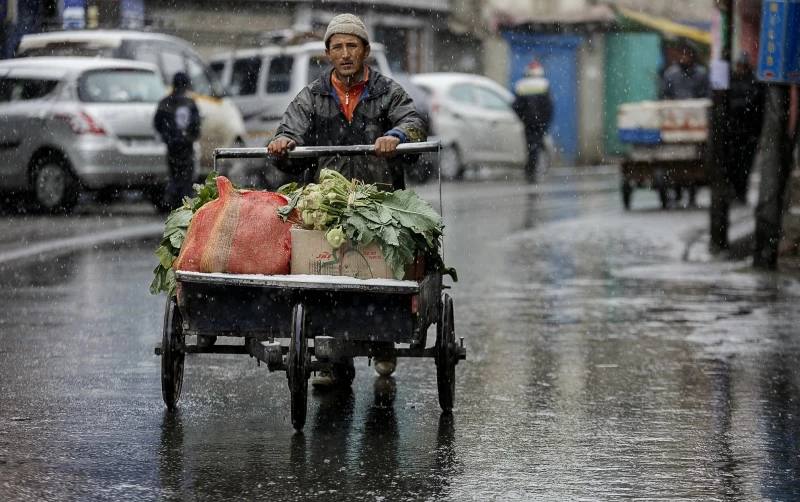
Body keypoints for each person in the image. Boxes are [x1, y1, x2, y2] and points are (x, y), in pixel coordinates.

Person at [268, 13, 426, 388]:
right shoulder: (313, 95)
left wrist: (398, 135)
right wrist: (283, 142)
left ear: (365, 51)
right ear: (327, 54)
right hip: (328, 203)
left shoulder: (388, 91)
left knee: (380, 276)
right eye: (337, 47)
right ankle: (327, 356)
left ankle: (383, 340)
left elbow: (414, 121)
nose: (345, 53)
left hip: (379, 201)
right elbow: (289, 127)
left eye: (352, 46)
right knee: (323, 278)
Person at [153, 71, 201, 212]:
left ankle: (171, 200)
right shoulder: (190, 103)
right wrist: (189, 137)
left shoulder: (165, 102)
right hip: (186, 146)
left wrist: (168, 137)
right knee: (186, 175)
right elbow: (196, 125)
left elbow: (157, 123)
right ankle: (184, 204)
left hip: (172, 146)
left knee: (174, 173)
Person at [727, 52, 765, 204]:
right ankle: (735, 191)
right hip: (733, 131)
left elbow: (757, 105)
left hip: (749, 131)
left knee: (745, 165)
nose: (740, 68)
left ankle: (741, 192)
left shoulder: (753, 82)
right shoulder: (731, 80)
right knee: (733, 164)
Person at [512, 60, 553, 183]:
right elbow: (548, 106)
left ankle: (531, 167)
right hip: (540, 122)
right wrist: (545, 121)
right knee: (539, 144)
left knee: (530, 145)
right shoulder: (544, 84)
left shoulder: (521, 85)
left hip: (528, 122)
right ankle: (538, 166)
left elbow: (516, 106)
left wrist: (523, 117)